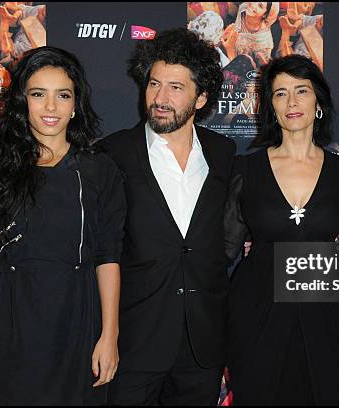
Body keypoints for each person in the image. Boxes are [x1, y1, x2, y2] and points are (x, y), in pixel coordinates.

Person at [0, 46, 125, 405]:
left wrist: (109, 335)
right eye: (38, 94)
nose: (51, 108)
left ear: (76, 103)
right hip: (12, 323)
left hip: (78, 323)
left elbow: (108, 256)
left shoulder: (100, 170)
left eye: (62, 95)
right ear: (22, 101)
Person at [94, 28, 235, 405]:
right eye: (154, 84)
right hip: (134, 340)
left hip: (203, 344)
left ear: (201, 98)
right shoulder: (111, 153)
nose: (160, 97)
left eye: (175, 87)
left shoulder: (224, 153)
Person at [224, 54, 339, 404]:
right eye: (280, 93)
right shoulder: (245, 169)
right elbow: (222, 251)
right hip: (256, 316)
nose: (292, 102)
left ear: (318, 102)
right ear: (270, 105)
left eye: (301, 91)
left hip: (328, 319)